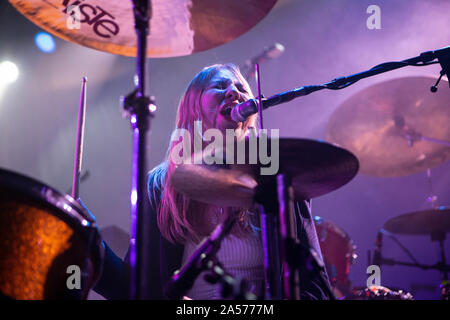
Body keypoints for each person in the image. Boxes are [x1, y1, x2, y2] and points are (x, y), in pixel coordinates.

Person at [93, 63, 333, 300]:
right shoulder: (160, 185)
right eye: (219, 86)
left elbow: (317, 286)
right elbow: (139, 287)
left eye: (240, 87)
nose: (233, 92)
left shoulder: (278, 181)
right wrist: (91, 247)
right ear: (192, 107)